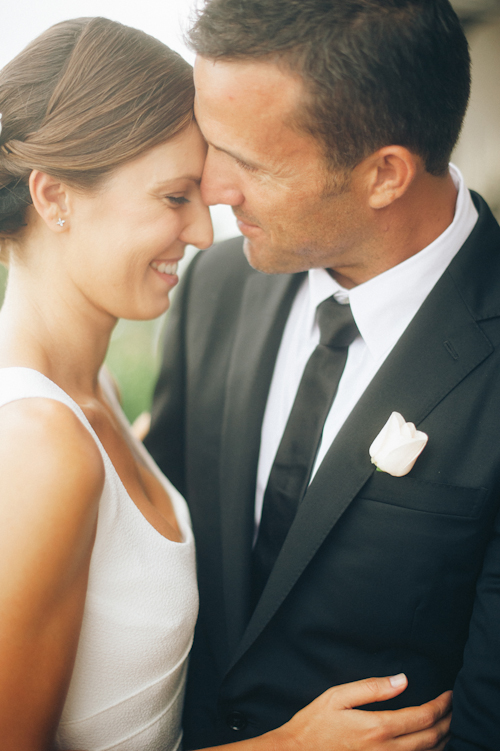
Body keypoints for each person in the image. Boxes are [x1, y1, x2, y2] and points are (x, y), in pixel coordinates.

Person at [0, 15, 452, 751]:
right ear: (54, 198)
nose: (208, 235)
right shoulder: (37, 443)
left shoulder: (94, 396)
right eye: (175, 198)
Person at [145, 0, 500, 749]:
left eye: (250, 162)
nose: (211, 188)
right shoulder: (215, 283)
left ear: (385, 175)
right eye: (210, 142)